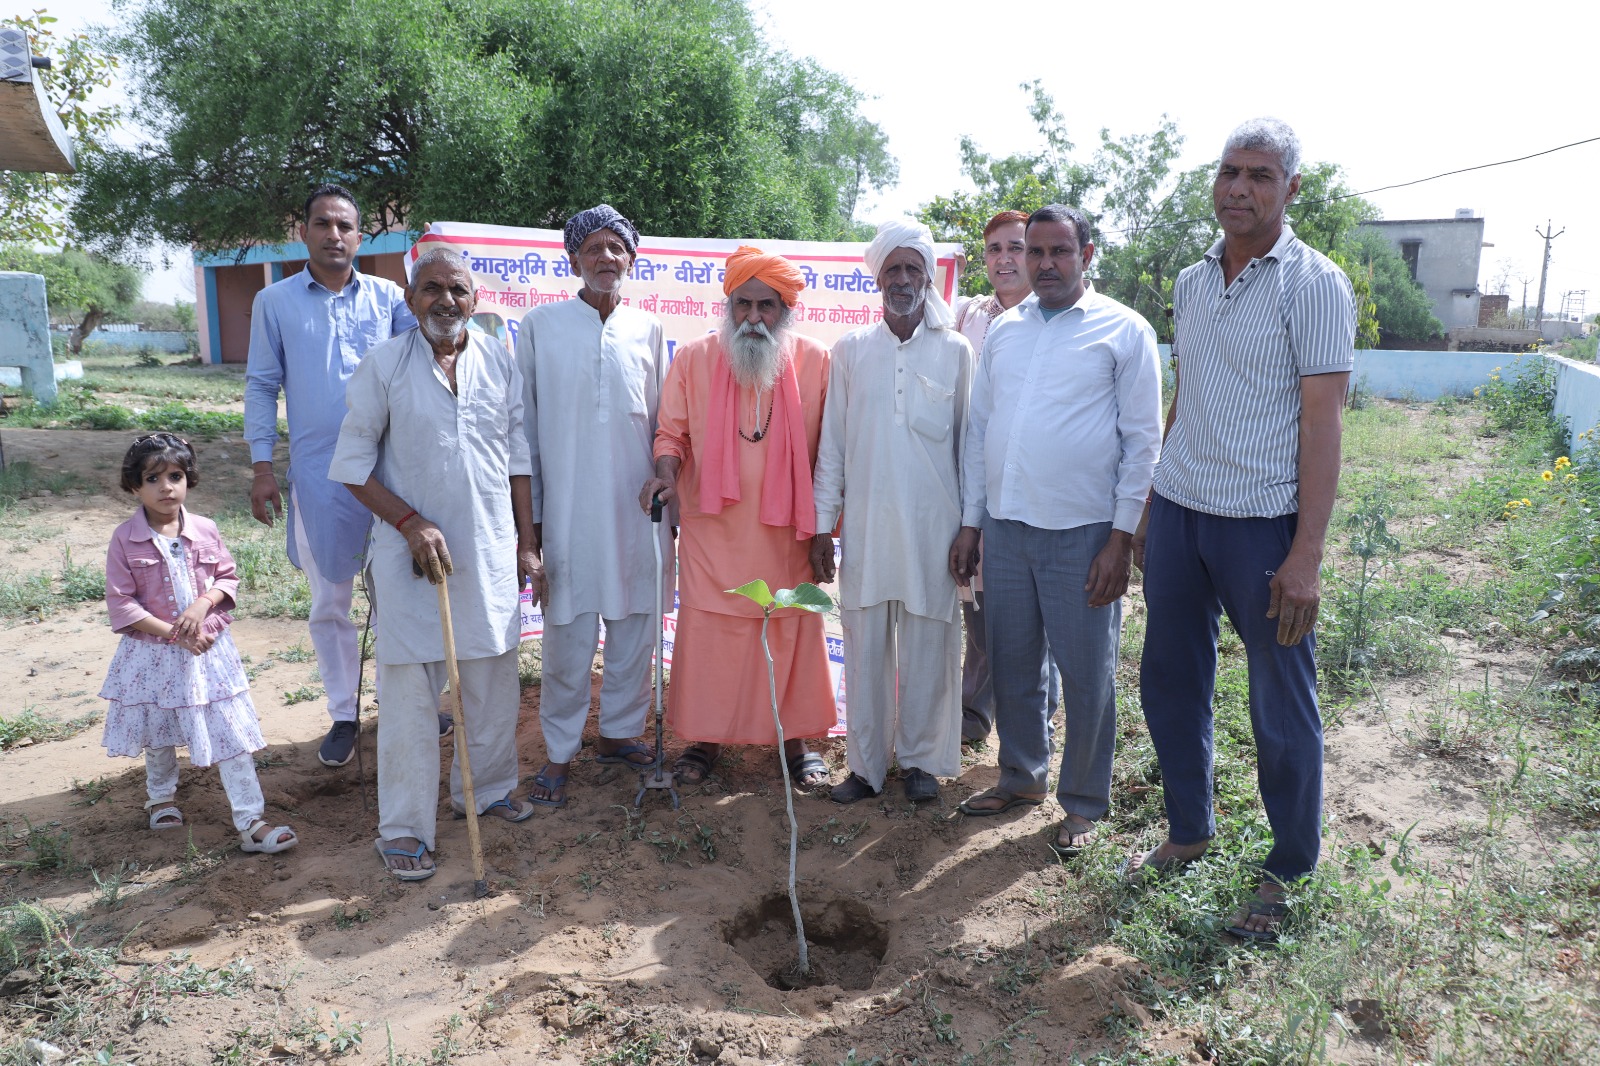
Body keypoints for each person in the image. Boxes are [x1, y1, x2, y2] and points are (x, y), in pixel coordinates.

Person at [1129, 118, 1355, 943]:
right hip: (1182, 512)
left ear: (1291, 189)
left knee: (1280, 703)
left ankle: (1290, 865)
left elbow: (1324, 423)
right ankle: (1190, 831)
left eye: (1261, 175)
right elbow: (1186, 395)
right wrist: (1153, 506)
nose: (1239, 188)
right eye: (1230, 171)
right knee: (1169, 682)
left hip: (1262, 525)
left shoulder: (1315, 284)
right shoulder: (1193, 281)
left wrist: (1306, 555)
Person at [950, 204, 1162, 860]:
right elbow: (981, 430)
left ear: (1086, 255)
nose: (1043, 264)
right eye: (1033, 251)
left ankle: (1083, 803)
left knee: (1088, 675)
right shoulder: (1006, 332)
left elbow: (1142, 442)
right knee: (1013, 662)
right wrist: (972, 522)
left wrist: (1120, 539)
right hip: (1007, 528)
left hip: (1084, 534)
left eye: (1058, 251)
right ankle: (1021, 775)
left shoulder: (1124, 330)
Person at [330, 249, 540, 881]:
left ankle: (487, 790)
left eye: (457, 290)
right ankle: (404, 827)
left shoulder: (499, 360)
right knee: (410, 697)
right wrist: (410, 523)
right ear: (410, 298)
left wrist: (526, 541)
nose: (445, 300)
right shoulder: (384, 365)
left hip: (489, 548)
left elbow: (518, 457)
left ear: (475, 299)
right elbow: (351, 466)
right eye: (431, 289)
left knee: (493, 678)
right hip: (410, 558)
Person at [639, 246, 835, 791]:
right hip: (713, 528)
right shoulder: (695, 358)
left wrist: (825, 528)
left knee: (788, 623)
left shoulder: (817, 360)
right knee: (713, 631)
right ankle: (706, 740)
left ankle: (795, 741)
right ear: (728, 306)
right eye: (742, 304)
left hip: (787, 533)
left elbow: (833, 449)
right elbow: (672, 433)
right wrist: (665, 474)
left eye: (765, 306)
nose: (753, 318)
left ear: (785, 309)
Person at [244, 183, 424, 770]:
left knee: (397, 590)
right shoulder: (274, 302)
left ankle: (406, 703)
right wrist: (263, 466)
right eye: (322, 224)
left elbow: (422, 360)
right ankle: (344, 714)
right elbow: (261, 385)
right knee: (331, 601)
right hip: (320, 475)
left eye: (345, 226)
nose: (334, 235)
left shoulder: (390, 297)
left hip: (389, 472)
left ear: (360, 236)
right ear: (304, 232)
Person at [516, 205, 671, 808]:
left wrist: (666, 491)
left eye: (616, 247)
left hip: (636, 511)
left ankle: (618, 734)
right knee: (567, 635)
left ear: (631, 257)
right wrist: (531, 528)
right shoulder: (541, 326)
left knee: (635, 629)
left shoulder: (648, 329)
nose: (606, 257)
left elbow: (664, 425)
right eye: (593, 247)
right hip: (568, 512)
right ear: (574, 258)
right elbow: (524, 430)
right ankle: (559, 751)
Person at [813, 220, 973, 804]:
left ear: (928, 277)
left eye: (912, 268)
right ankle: (865, 768)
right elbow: (832, 447)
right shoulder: (852, 350)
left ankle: (923, 762)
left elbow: (970, 448)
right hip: (866, 530)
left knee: (931, 644)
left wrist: (970, 527)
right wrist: (821, 527)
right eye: (892, 269)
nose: (902, 279)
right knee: (865, 648)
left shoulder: (955, 350)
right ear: (877, 278)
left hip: (935, 530)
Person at [101, 433, 297, 854]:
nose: (166, 487)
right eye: (152, 479)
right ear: (134, 486)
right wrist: (175, 634)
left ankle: (251, 822)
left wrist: (202, 605)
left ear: (188, 479)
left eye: (175, 476)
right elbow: (122, 605)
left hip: (209, 651)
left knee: (231, 732)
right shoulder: (124, 538)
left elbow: (228, 578)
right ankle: (161, 797)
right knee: (158, 729)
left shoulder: (206, 529)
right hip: (154, 654)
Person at [953, 210, 1062, 745]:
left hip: (1038, 489)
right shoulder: (968, 316)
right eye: (994, 249)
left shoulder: (1058, 317)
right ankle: (974, 712)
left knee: (1038, 611)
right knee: (978, 603)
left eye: (1016, 247)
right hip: (973, 481)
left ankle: (1038, 720)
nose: (1005, 259)